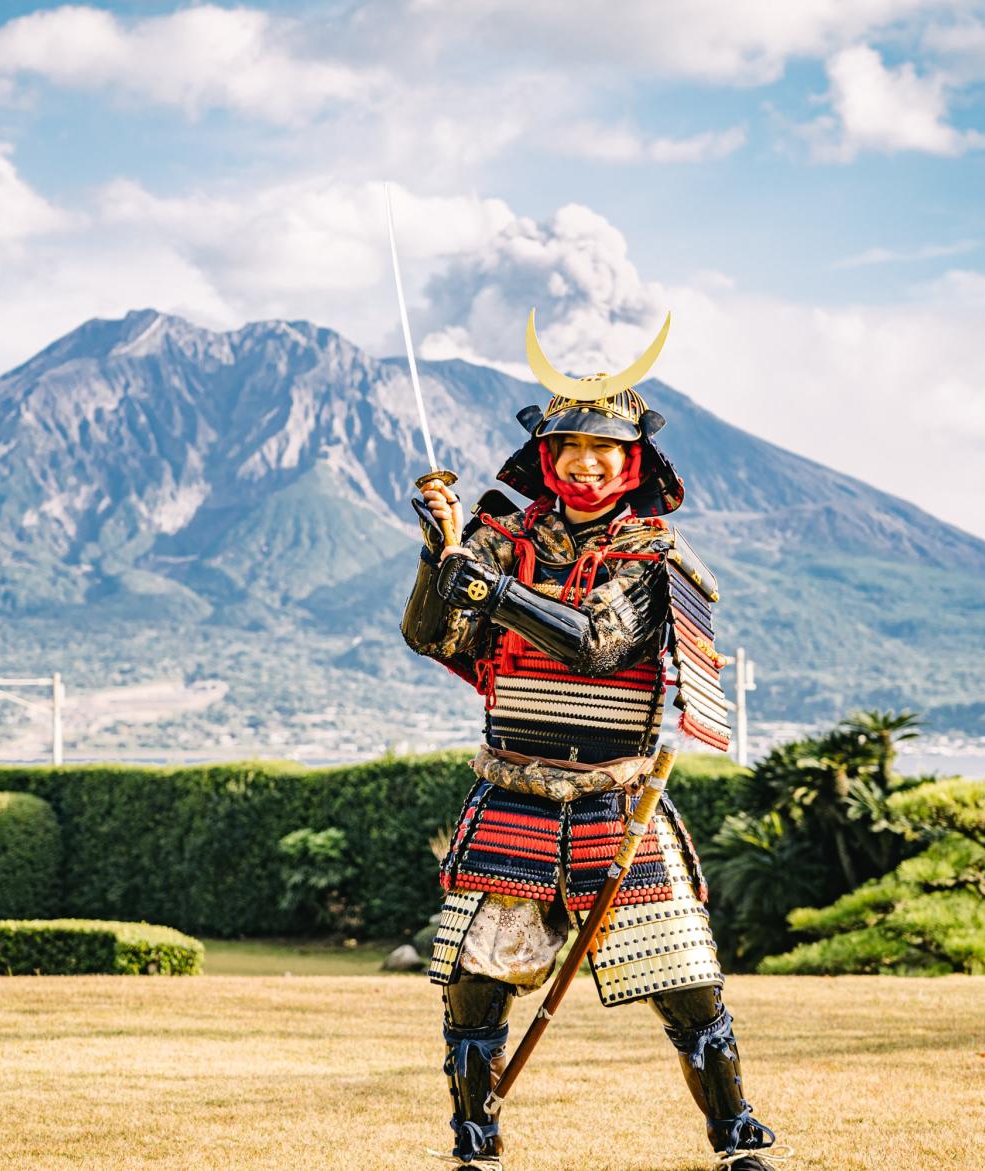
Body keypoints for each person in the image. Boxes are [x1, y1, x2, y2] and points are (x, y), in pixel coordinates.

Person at [401, 312, 782, 1171]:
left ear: (635, 458)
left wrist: (493, 588)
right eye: (569, 444)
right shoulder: (501, 536)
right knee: (474, 985)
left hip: (619, 799)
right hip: (513, 792)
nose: (585, 461)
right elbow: (433, 635)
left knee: (688, 984)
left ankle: (735, 1136)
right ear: (545, 454)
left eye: (603, 447)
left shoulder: (650, 554)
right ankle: (474, 1140)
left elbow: (596, 641)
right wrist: (440, 557)